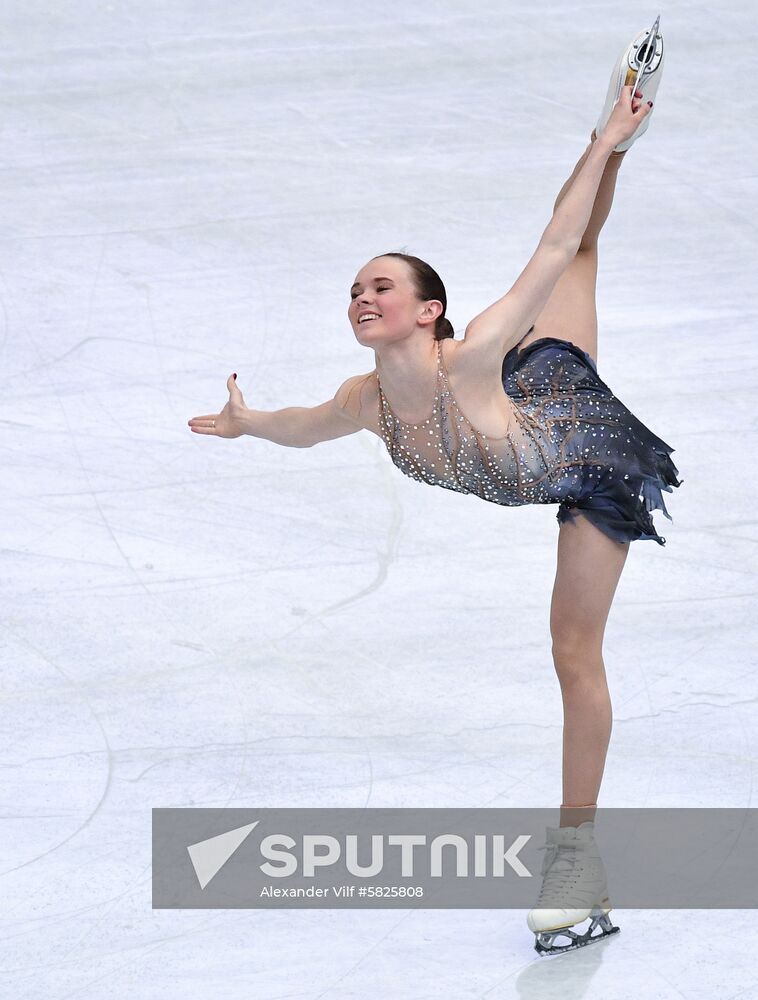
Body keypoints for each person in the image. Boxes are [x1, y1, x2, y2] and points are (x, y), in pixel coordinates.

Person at [188, 22, 679, 956]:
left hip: (581, 437)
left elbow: (555, 238)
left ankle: (576, 858)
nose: (361, 298)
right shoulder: (366, 400)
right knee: (576, 261)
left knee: (572, 650)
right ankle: (612, 128)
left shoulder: (479, 348)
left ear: (429, 311)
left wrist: (604, 148)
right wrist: (250, 424)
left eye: (381, 286)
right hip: (527, 407)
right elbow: (303, 426)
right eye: (353, 290)